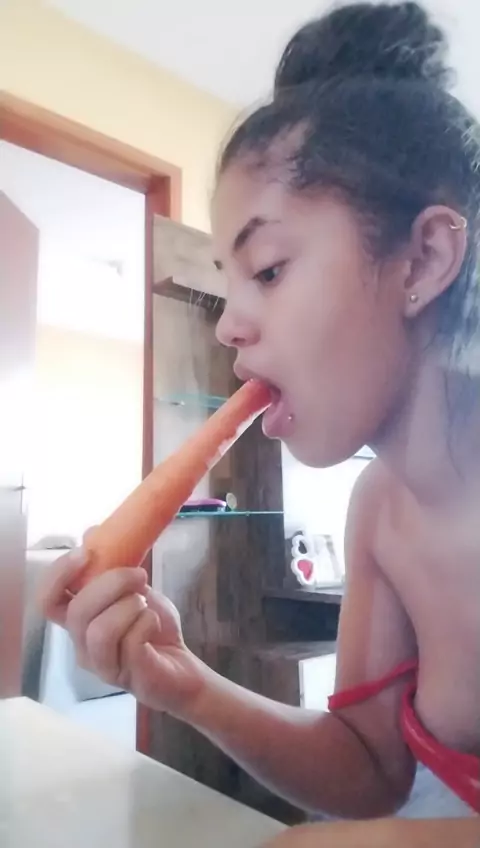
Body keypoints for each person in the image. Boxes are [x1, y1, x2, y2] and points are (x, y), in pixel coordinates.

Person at [39, 1, 480, 842]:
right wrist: (183, 684)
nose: (228, 327)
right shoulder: (381, 511)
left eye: (269, 269)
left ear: (423, 258)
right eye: (228, 281)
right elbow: (371, 767)